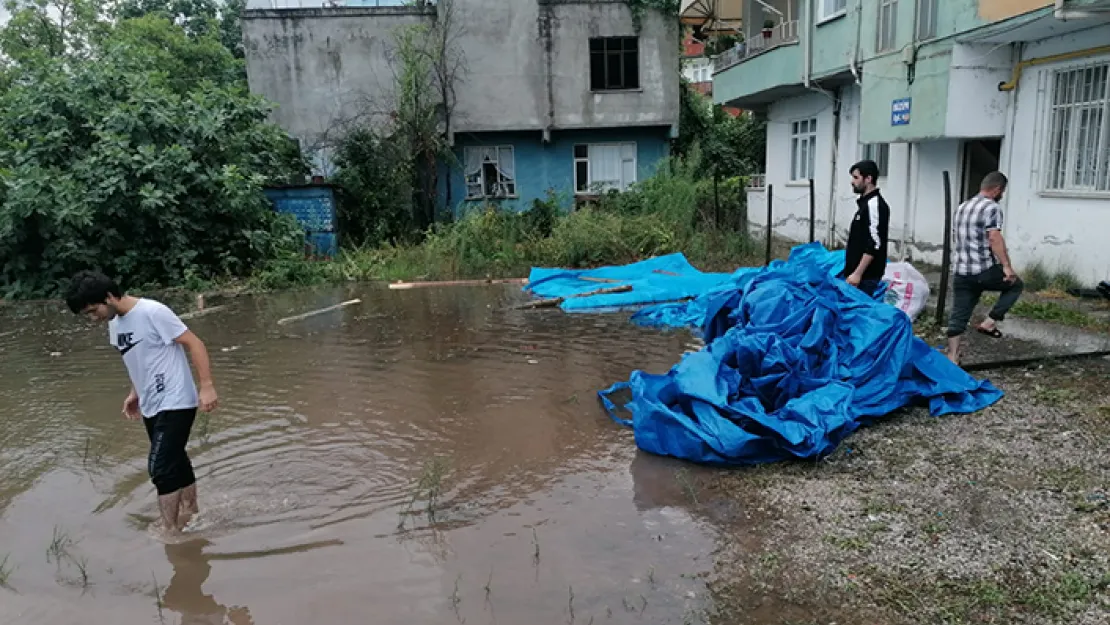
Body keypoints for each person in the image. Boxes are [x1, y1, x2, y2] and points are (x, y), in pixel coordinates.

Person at [66, 271, 218, 535]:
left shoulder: (152, 312)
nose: (93, 319)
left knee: (159, 468)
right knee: (175, 460)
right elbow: (138, 358)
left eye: (93, 310)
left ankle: (169, 531)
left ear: (110, 296)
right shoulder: (115, 324)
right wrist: (134, 392)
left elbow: (194, 343)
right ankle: (191, 512)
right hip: (151, 402)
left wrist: (206, 386)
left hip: (176, 400)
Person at [945, 171, 1023, 365]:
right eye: (1002, 191)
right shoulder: (992, 207)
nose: (1002, 195)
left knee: (958, 314)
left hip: (961, 271)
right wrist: (1006, 266)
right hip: (983, 270)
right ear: (997, 189)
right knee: (1015, 285)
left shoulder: (962, 207)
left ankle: (953, 356)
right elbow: (994, 237)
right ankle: (990, 322)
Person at [840, 159, 890, 295]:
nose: (852, 182)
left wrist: (857, 273)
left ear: (868, 179)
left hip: (865, 277)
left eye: (856, 177)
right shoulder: (864, 204)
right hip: (856, 275)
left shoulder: (874, 205)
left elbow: (874, 244)